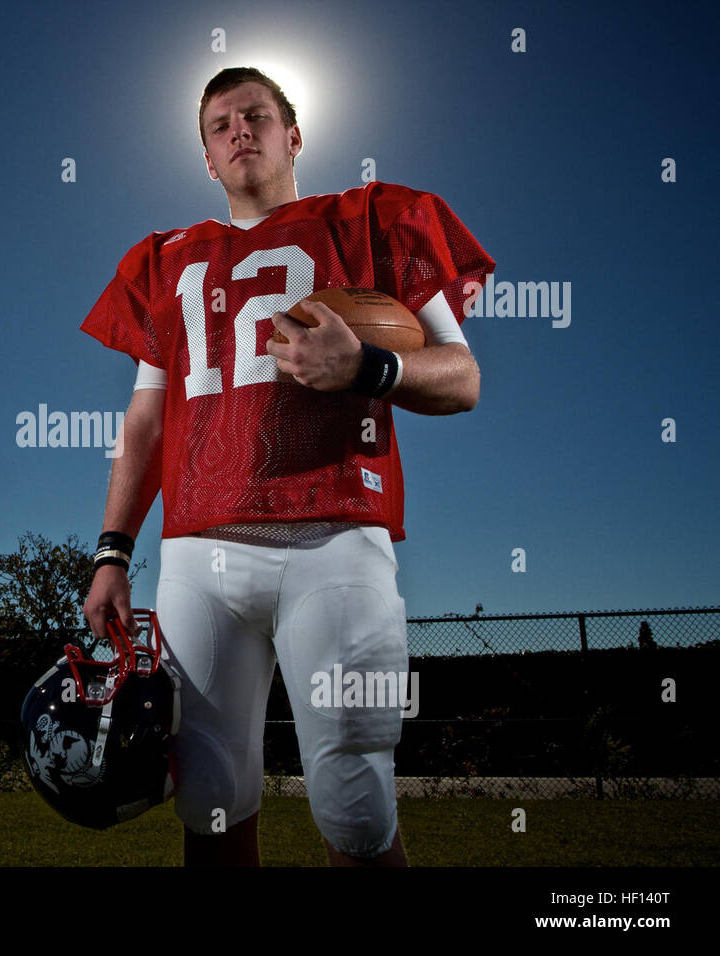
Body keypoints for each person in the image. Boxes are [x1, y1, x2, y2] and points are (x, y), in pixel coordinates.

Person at [80, 66, 495, 866]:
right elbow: (144, 424)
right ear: (206, 157)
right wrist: (110, 551)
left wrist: (371, 367)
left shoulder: (375, 218)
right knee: (206, 799)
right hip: (199, 550)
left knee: (353, 798)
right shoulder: (166, 259)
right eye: (220, 124)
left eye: (256, 115)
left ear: (293, 134)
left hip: (332, 536)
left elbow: (463, 377)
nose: (239, 130)